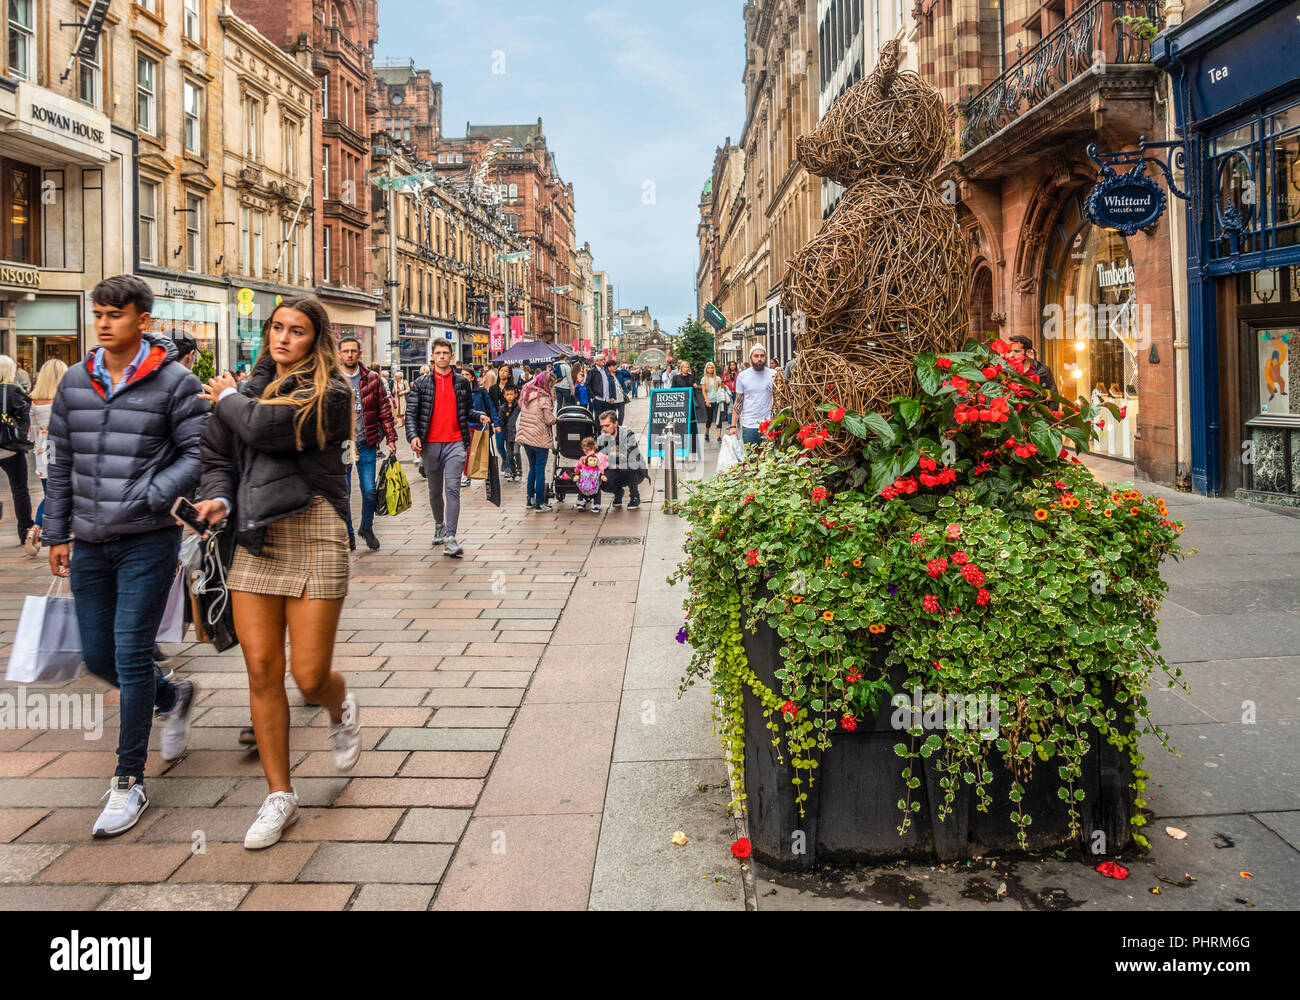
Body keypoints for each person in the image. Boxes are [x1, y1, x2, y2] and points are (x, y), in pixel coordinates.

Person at [192, 296, 360, 850]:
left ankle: (339, 705)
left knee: (309, 676)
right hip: (255, 537)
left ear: (318, 340)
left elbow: (267, 430)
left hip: (314, 528)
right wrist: (217, 498)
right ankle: (279, 795)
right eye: (277, 328)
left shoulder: (332, 393)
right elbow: (217, 456)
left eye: (298, 331)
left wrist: (229, 398)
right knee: (263, 669)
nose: (283, 338)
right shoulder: (245, 390)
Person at [44, 275, 207, 838]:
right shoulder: (73, 381)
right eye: (99, 313)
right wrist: (55, 531)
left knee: (132, 652)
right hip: (89, 540)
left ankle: (128, 780)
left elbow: (198, 454)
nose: (105, 322)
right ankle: (173, 694)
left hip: (147, 538)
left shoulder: (176, 382)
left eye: (116, 313)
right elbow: (60, 461)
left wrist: (156, 495)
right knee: (97, 657)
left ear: (143, 319)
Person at [405, 339, 489, 558]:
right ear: (432, 356)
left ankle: (451, 537)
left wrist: (478, 415)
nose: (442, 356)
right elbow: (411, 414)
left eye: (445, 353)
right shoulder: (421, 383)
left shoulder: (461, 382)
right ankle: (439, 524)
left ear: (452, 356)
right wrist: (413, 436)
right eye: (438, 353)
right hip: (430, 444)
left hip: (455, 443)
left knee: (452, 489)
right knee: (434, 490)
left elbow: (467, 409)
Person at [337, 337, 397, 551]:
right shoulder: (332, 379)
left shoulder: (373, 379)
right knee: (344, 491)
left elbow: (384, 410)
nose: (350, 355)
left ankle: (367, 527)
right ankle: (349, 533)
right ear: (339, 354)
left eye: (353, 351)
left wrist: (390, 438)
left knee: (369, 490)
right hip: (344, 444)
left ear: (359, 352)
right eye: (346, 351)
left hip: (366, 441)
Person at [24, 358, 68, 557]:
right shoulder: (65, 398)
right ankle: (36, 527)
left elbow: (31, 434)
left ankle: (37, 529)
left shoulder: (35, 402)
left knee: (49, 494)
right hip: (61, 450)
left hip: (42, 451)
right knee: (56, 494)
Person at [0, 356, 35, 544]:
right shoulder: (12, 391)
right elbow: (26, 413)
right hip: (10, 447)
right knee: (20, 490)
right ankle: (25, 531)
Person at [516, 370, 557, 512]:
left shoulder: (527, 392)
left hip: (526, 437)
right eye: (551, 383)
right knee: (540, 470)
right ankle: (540, 503)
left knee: (532, 468)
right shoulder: (544, 397)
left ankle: (529, 499)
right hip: (539, 438)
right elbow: (549, 419)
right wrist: (556, 418)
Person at [596, 409, 646, 510]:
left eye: (607, 425)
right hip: (614, 469)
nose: (604, 429)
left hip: (635, 470)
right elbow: (600, 458)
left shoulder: (628, 434)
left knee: (627, 466)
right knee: (601, 479)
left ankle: (635, 496)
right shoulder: (602, 438)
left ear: (615, 423)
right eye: (602, 426)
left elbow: (629, 456)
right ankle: (618, 492)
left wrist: (609, 457)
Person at [730, 343, 776, 451]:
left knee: (769, 460)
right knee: (751, 461)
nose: (759, 359)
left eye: (762, 356)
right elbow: (738, 401)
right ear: (750, 357)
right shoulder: (743, 376)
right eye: (756, 356)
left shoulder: (773, 374)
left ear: (765, 357)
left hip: (768, 425)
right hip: (749, 425)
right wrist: (733, 426)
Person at [671, 360, 701, 456]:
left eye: (687, 367)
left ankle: (693, 447)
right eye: (684, 367)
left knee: (692, 425)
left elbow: (693, 390)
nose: (686, 369)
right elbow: (673, 390)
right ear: (681, 368)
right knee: (681, 425)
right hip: (681, 405)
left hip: (690, 404)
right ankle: (681, 446)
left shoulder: (691, 377)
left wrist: (695, 386)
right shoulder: (676, 377)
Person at [573, 436, 608, 513]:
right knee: (582, 488)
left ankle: (596, 504)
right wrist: (577, 474)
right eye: (586, 450)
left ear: (594, 448)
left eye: (590, 449)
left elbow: (601, 466)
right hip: (585, 479)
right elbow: (578, 467)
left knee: (597, 491)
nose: (588, 452)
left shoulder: (598, 457)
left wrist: (602, 474)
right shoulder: (583, 459)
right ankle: (580, 502)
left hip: (594, 479)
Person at [499, 383, 522, 481]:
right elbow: (501, 420)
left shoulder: (519, 406)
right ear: (504, 396)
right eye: (507, 394)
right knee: (510, 455)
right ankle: (513, 472)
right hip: (508, 435)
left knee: (516, 452)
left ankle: (519, 472)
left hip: (517, 434)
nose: (509, 396)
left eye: (511, 394)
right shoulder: (503, 408)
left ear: (516, 395)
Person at [700, 361, 723, 443]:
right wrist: (706, 400)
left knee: (718, 419)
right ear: (706, 369)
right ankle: (707, 433)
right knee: (709, 419)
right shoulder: (704, 379)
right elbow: (703, 391)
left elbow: (721, 389)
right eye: (709, 368)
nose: (710, 369)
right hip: (709, 401)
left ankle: (719, 437)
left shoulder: (718, 378)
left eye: (712, 368)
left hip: (717, 401)